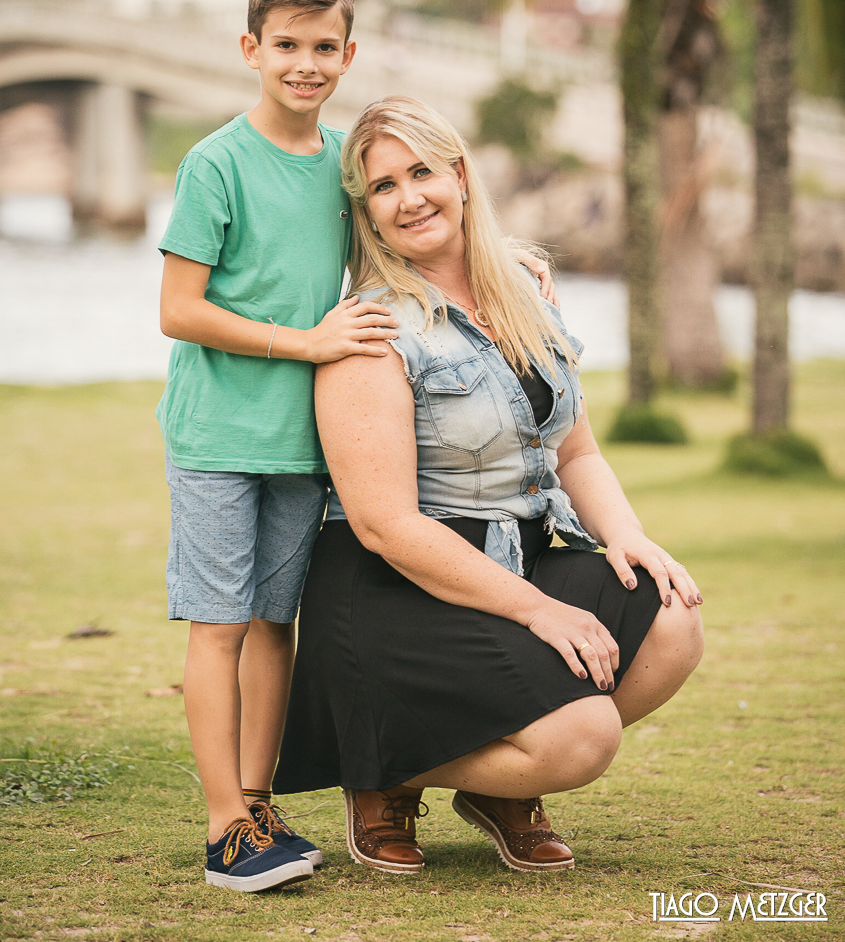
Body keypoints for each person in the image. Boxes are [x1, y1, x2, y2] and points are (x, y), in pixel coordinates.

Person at [156, 0, 554, 892]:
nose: (304, 63)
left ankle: (259, 800)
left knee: (271, 624)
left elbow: (409, 234)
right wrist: (308, 343)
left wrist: (511, 254)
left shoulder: (340, 169)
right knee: (217, 627)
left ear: (347, 53)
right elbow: (179, 310)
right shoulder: (215, 162)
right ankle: (225, 829)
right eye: (285, 45)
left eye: (322, 47)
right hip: (219, 434)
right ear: (250, 49)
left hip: (305, 444)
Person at [275, 96, 705, 876]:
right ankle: (386, 769)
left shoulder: (525, 292)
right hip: (396, 586)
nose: (408, 198)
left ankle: (501, 786)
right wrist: (541, 612)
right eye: (381, 187)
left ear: (460, 175)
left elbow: (576, 452)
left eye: (421, 172)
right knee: (583, 738)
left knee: (672, 618)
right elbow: (383, 526)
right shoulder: (373, 330)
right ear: (365, 212)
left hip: (519, 552)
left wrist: (628, 537)